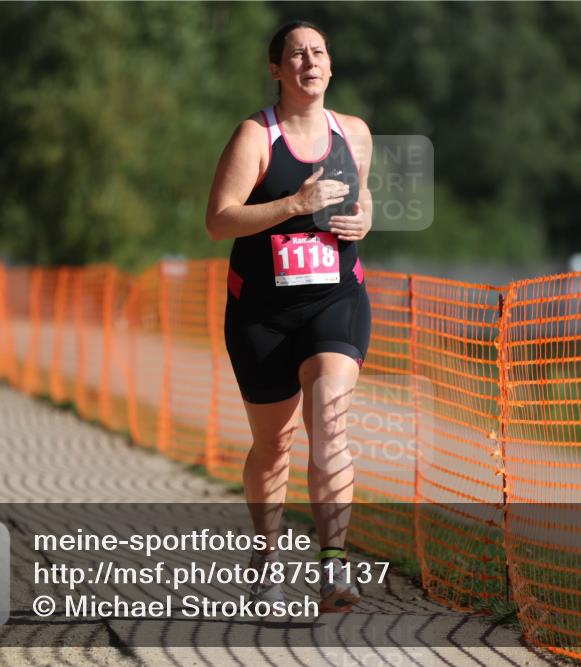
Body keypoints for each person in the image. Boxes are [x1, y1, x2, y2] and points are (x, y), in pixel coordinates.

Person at [205, 20, 373, 613]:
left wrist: (364, 221)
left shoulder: (352, 132)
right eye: (297, 54)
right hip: (263, 313)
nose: (310, 61)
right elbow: (219, 219)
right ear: (276, 69)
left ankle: (333, 566)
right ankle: (266, 558)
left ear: (330, 64)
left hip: (335, 299)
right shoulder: (255, 135)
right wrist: (295, 205)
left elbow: (362, 195)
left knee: (329, 419)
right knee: (273, 445)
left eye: (319, 51)